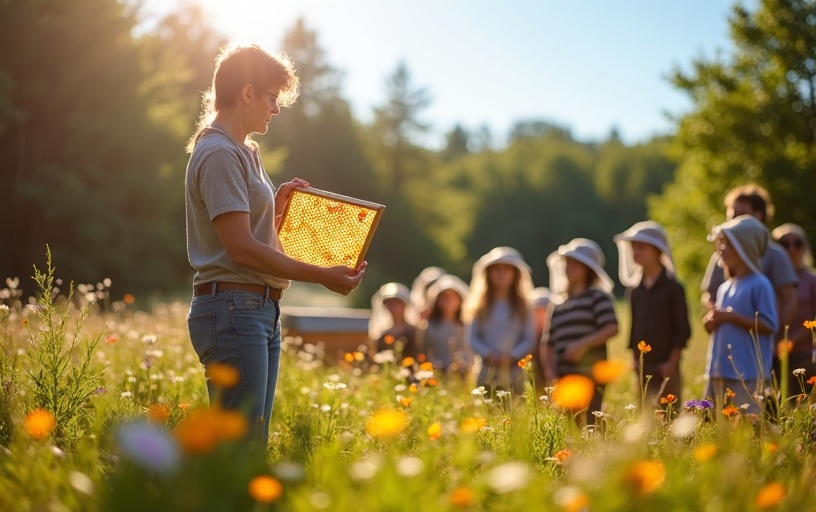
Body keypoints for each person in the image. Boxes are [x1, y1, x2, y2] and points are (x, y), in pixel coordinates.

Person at [184, 44, 366, 444]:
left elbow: (247, 236)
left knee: (250, 444)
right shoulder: (218, 153)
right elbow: (241, 250)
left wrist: (276, 211)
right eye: (272, 98)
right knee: (241, 450)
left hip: (258, 307)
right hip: (234, 309)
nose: (276, 108)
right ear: (247, 93)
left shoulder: (246, 151)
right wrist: (323, 276)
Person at [700, 185, 797, 342]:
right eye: (732, 215)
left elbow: (790, 300)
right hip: (729, 341)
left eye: (741, 215)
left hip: (763, 343)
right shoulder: (722, 255)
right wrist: (717, 316)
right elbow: (709, 294)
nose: (735, 221)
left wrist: (776, 337)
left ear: (759, 216)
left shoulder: (775, 255)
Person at [703, 215, 778, 413]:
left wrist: (730, 317)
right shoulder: (725, 287)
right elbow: (721, 324)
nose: (721, 248)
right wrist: (712, 321)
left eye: (727, 243)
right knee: (717, 427)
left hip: (747, 374)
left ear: (744, 247)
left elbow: (770, 325)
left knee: (747, 427)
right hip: (719, 371)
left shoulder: (759, 284)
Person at [614, 221, 691, 406]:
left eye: (641, 248)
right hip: (642, 365)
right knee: (644, 412)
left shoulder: (673, 288)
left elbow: (683, 330)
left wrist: (671, 363)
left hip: (666, 365)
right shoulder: (635, 290)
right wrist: (634, 360)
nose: (635, 252)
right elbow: (634, 328)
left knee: (669, 411)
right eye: (633, 248)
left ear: (658, 251)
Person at [541, 238, 618, 420]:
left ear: (588, 270)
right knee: (569, 424)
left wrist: (582, 345)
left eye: (576, 264)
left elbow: (612, 327)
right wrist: (549, 371)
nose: (569, 268)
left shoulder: (597, 298)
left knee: (591, 420)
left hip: (591, 376)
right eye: (568, 263)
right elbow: (548, 342)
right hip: (563, 377)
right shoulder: (557, 304)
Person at [463, 247, 536, 394]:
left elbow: (529, 338)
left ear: (515, 274)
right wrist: (489, 355)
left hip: (515, 372)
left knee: (514, 413)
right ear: (488, 273)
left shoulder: (524, 306)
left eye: (506, 269)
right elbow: (472, 338)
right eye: (497, 269)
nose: (501, 274)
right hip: (485, 371)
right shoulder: (479, 305)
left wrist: (512, 355)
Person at [772, 223, 816, 393]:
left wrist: (789, 343)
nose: (791, 249)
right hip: (772, 356)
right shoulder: (769, 281)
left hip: (805, 356)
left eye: (797, 243)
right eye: (784, 244)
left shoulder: (812, 280)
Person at [420, 274, 472, 377]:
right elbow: (424, 353)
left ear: (460, 299)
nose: (448, 300)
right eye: (444, 296)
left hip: (463, 375)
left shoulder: (467, 325)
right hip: (437, 374)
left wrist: (464, 364)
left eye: (452, 296)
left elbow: (471, 353)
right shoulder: (429, 326)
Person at [368, 282, 420, 359]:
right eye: (389, 303)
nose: (392, 307)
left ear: (405, 304)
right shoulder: (381, 334)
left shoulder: (415, 331)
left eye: (396, 303)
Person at [529, 287, 553, 392]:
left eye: (545, 311)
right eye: (537, 311)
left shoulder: (556, 339)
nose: (541, 316)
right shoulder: (527, 339)